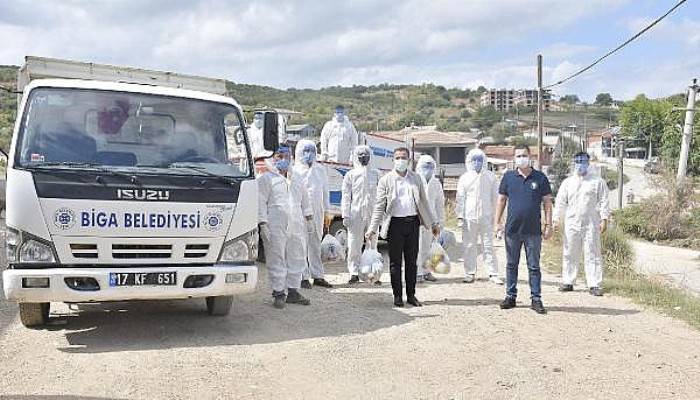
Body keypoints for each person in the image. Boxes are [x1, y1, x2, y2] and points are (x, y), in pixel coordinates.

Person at [366, 148, 439, 307]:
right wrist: (372, 229)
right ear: (393, 160)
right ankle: (397, 296)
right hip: (395, 225)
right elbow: (379, 206)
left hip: (412, 223)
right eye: (397, 157)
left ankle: (411, 295)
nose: (400, 160)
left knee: (412, 262)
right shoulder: (386, 180)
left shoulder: (416, 178)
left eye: (403, 157)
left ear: (409, 160)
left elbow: (424, 202)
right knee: (395, 263)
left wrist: (433, 223)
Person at [494, 144, 553, 314]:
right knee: (511, 264)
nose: (521, 158)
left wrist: (548, 225)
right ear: (514, 159)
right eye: (518, 156)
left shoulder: (540, 178)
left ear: (530, 157)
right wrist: (497, 222)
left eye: (524, 155)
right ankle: (510, 296)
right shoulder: (508, 177)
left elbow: (548, 203)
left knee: (534, 266)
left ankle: (536, 298)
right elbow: (501, 201)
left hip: (533, 231)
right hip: (512, 230)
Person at [257, 147, 314, 309]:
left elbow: (305, 199)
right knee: (277, 257)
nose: (283, 159)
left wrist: (309, 218)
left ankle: (294, 291)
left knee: (297, 255)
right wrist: (262, 223)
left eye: (286, 155)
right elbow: (260, 202)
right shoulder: (266, 179)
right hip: (275, 224)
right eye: (279, 156)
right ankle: (279, 292)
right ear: (272, 158)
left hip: (296, 223)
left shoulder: (297, 178)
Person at [554, 152, 610, 296]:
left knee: (592, 252)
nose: (580, 164)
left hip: (591, 222)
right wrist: (556, 219)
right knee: (569, 252)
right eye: (578, 161)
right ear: (574, 162)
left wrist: (604, 219)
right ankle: (568, 281)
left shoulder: (597, 182)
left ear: (588, 162)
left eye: (583, 161)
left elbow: (604, 201)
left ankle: (594, 284)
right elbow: (560, 202)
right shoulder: (568, 183)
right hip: (571, 222)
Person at [456, 148, 502, 285]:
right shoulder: (464, 178)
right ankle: (470, 272)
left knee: (488, 245)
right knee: (469, 245)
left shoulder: (490, 177)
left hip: (486, 216)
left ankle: (493, 273)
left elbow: (496, 198)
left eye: (480, 160)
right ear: (469, 161)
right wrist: (460, 216)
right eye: (474, 160)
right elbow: (460, 198)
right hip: (469, 217)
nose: (477, 162)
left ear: (484, 161)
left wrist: (498, 219)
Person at [294, 140, 333, 289]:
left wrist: (328, 211)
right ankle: (303, 276)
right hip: (300, 212)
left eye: (312, 151)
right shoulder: (296, 170)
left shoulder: (320, 170)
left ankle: (318, 275)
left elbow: (325, 192)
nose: (309, 154)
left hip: (318, 211)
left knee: (315, 243)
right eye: (306, 151)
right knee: (301, 244)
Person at [342, 145, 380, 284]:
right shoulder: (350, 175)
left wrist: (382, 214)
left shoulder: (376, 174)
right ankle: (354, 272)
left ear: (370, 157)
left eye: (366, 155)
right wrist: (345, 214)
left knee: (373, 244)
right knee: (354, 244)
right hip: (355, 214)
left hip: (372, 214)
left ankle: (373, 273)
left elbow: (382, 196)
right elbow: (346, 196)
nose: (364, 158)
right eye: (361, 155)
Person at [415, 154, 444, 283]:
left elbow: (439, 203)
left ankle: (426, 271)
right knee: (417, 247)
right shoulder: (414, 180)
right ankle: (417, 273)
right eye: (425, 166)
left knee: (427, 246)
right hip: (417, 219)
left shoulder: (436, 183)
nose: (428, 169)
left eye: (430, 166)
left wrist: (439, 222)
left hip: (431, 220)